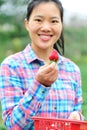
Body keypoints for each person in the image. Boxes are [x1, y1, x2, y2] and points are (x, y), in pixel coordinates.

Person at [0, 0, 84, 129]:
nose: (46, 27)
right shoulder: (11, 66)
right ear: (27, 24)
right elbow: (13, 125)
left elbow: (77, 116)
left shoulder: (72, 69)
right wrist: (40, 85)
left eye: (54, 21)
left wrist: (77, 118)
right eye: (39, 20)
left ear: (61, 25)